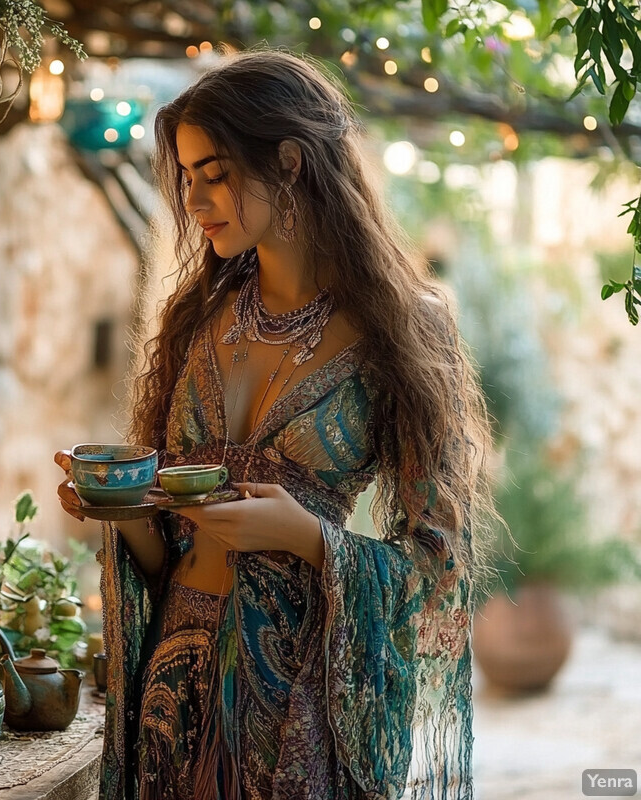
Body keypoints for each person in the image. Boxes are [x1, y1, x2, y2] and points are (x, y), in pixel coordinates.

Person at [56, 49, 494, 800]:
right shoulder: (197, 317)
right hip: (173, 693)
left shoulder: (404, 331)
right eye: (186, 177)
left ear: (289, 162)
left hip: (294, 709)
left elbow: (438, 569)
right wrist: (121, 511)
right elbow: (166, 555)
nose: (193, 201)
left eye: (213, 173)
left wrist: (310, 539)